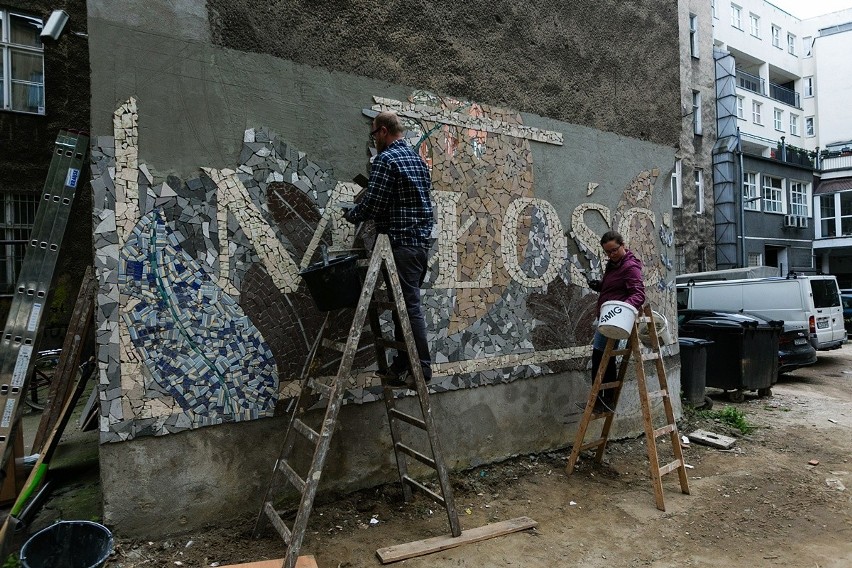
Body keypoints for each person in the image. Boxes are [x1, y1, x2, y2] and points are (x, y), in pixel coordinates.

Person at [344, 111, 434, 388]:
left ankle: (423, 369)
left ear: (383, 131)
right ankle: (402, 365)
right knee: (402, 307)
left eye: (374, 133)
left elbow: (376, 204)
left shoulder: (386, 159)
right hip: (419, 246)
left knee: (408, 307)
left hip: (401, 243)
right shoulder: (418, 161)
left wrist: (352, 213)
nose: (374, 139)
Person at [586, 230, 645, 411]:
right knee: (604, 357)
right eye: (607, 252)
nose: (611, 255)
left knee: (601, 357)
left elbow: (638, 294)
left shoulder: (630, 267)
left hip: (616, 318)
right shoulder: (614, 264)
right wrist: (601, 286)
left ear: (623, 245)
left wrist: (623, 309)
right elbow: (615, 287)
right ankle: (604, 400)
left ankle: (603, 400)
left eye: (614, 250)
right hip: (609, 316)